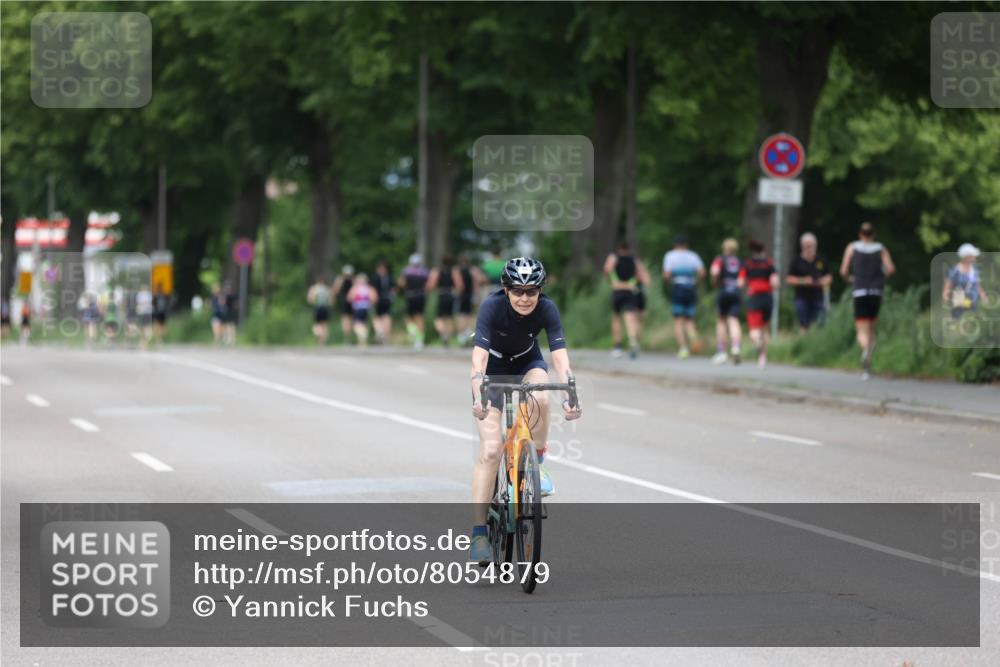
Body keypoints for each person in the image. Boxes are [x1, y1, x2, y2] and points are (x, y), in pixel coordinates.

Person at [468, 257, 582, 564]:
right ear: (505, 289)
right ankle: (479, 532)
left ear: (540, 291)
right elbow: (477, 361)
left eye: (532, 291)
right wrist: (478, 395)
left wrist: (570, 391)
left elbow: (559, 357)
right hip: (492, 369)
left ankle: (538, 461)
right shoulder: (492, 307)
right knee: (491, 450)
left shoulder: (547, 309)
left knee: (542, 396)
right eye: (517, 291)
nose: (524, 298)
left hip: (526, 361)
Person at [839, 222, 895, 380]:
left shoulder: (852, 247)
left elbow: (843, 270)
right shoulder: (880, 248)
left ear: (860, 234)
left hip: (860, 291)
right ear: (873, 234)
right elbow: (890, 268)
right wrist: (880, 278)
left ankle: (865, 352)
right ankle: (868, 360)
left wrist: (850, 279)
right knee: (871, 328)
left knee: (861, 330)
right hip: (876, 291)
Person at [604, 241, 650, 359]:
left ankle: (617, 346)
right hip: (630, 290)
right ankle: (633, 341)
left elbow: (607, 269)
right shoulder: (634, 259)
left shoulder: (613, 257)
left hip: (618, 290)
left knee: (616, 318)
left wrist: (610, 281)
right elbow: (641, 275)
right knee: (630, 318)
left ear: (619, 248)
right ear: (629, 249)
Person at [662, 236, 705, 358]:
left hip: (678, 287)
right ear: (686, 245)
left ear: (675, 245)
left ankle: (683, 348)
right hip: (691, 287)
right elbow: (702, 273)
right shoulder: (693, 256)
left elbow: (666, 275)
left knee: (678, 320)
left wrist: (669, 281)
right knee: (689, 319)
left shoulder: (670, 256)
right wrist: (696, 281)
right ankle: (694, 338)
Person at [740, 239, 779, 368]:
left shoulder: (748, 264)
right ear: (763, 251)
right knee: (764, 329)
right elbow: (775, 283)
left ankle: (758, 347)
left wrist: (748, 285)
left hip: (755, 297)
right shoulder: (769, 264)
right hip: (767, 297)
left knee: (754, 331)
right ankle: (763, 358)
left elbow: (740, 282)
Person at [787, 232, 832, 332]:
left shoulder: (821, 260)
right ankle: (804, 343)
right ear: (802, 246)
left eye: (811, 246)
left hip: (818, 297)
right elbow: (789, 279)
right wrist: (804, 281)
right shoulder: (796, 261)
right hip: (802, 298)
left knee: (820, 324)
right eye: (806, 246)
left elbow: (829, 277)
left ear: (815, 246)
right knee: (804, 324)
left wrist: (821, 281)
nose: (809, 248)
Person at [709, 238, 744, 364]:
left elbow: (715, 272)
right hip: (735, 292)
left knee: (721, 321)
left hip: (724, 290)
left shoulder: (720, 259)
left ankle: (722, 351)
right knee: (734, 321)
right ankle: (736, 347)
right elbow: (742, 281)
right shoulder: (740, 262)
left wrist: (715, 282)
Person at [427, 254, 464, 347]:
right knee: (450, 318)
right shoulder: (454, 271)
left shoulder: (437, 271)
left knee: (438, 318)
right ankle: (448, 336)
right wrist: (457, 293)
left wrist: (431, 290)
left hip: (441, 295)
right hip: (451, 295)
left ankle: (443, 333)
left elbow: (431, 285)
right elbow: (460, 285)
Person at [943, 243, 987, 319]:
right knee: (960, 324)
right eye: (973, 255)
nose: (975, 257)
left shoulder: (974, 270)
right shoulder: (954, 271)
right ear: (967, 256)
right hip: (960, 303)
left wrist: (984, 297)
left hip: (973, 304)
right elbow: (946, 289)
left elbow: (977, 286)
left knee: (971, 324)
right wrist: (947, 301)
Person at [399, 254, 429, 350]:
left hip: (410, 296)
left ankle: (412, 331)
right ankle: (419, 340)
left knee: (409, 317)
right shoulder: (424, 272)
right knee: (420, 317)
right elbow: (428, 285)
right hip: (421, 296)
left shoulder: (406, 271)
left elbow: (401, 283)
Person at [346, 273, 378, 347]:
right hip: (367, 308)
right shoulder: (369, 288)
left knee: (357, 325)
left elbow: (349, 298)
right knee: (364, 324)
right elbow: (375, 298)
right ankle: (362, 343)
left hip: (358, 308)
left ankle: (363, 336)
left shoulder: (355, 288)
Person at [456, 254, 479, 345]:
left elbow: (459, 285)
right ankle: (469, 333)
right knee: (470, 314)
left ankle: (462, 336)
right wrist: (476, 294)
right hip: (470, 294)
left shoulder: (458, 271)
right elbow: (475, 283)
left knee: (461, 315)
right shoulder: (472, 270)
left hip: (462, 295)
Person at [372, 261, 395, 345]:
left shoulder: (375, 277)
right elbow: (393, 290)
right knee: (386, 316)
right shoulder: (389, 277)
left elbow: (372, 289)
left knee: (377, 317)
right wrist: (392, 297)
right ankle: (385, 335)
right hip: (387, 299)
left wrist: (373, 298)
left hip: (378, 299)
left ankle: (380, 331)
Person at [332, 265, 355, 345]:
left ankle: (347, 338)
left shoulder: (341, 280)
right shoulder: (353, 280)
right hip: (353, 302)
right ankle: (350, 337)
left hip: (345, 301)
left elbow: (335, 291)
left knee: (345, 320)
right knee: (350, 320)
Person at [307, 276, 332, 346]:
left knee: (317, 325)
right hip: (325, 308)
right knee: (325, 325)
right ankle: (323, 342)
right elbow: (331, 301)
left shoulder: (314, 288)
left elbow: (310, 300)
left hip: (317, 308)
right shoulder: (327, 289)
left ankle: (320, 336)